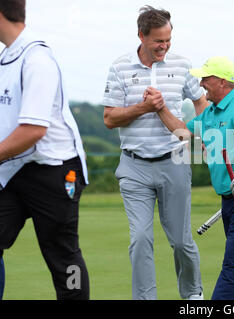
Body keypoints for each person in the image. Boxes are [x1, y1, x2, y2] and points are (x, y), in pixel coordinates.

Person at [102, 5, 208, 300]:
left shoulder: (182, 65)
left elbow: (202, 104)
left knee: (181, 240)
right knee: (140, 239)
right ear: (141, 36)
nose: (164, 46)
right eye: (158, 41)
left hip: (174, 161)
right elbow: (110, 118)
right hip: (133, 166)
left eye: (168, 40)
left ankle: (192, 296)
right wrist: (144, 108)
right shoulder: (119, 67)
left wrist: (193, 130)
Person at [150, 56, 234, 300]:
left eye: (206, 78)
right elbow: (182, 132)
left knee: (233, 260)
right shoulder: (210, 114)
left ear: (222, 82)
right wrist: (160, 108)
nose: (201, 83)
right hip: (231, 196)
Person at [0, 0, 89, 299]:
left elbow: (33, 130)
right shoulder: (7, 58)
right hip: (15, 169)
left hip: (56, 170)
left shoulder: (36, 59)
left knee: (64, 259)